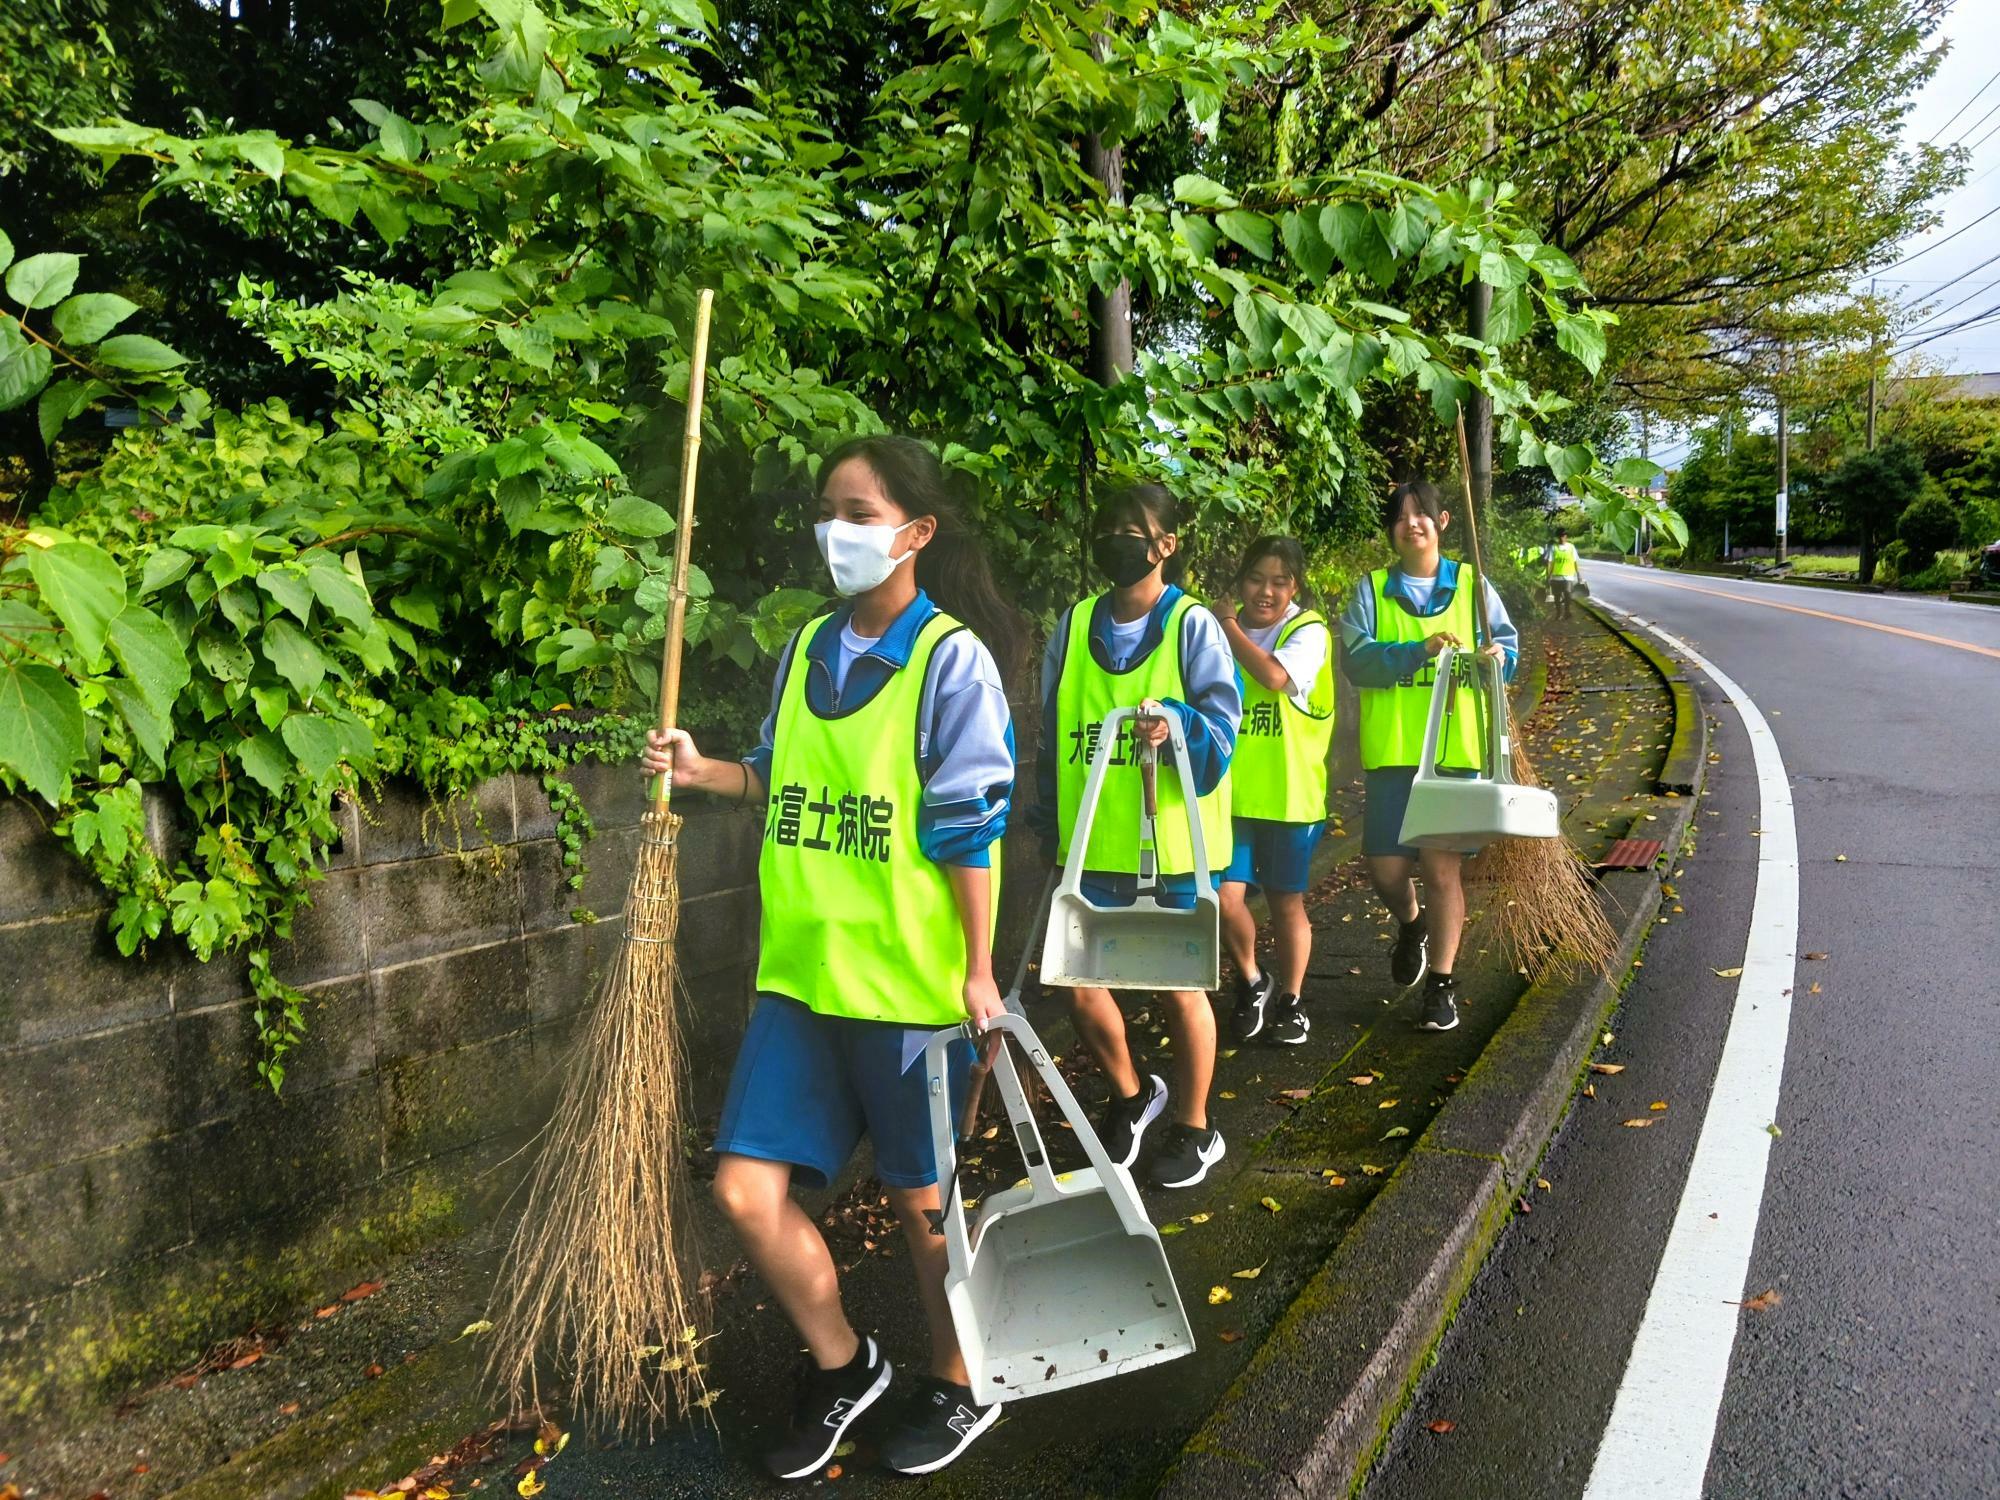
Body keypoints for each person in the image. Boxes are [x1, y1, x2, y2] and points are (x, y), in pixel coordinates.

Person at [639, 436, 1020, 1480]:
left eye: (857, 512)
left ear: (915, 532)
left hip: (909, 993)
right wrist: (700, 768)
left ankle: (960, 1380)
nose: (835, 532)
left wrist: (979, 972)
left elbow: (970, 830)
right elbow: (778, 776)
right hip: (800, 983)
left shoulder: (950, 662)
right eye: (828, 511)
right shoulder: (809, 647)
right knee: (743, 1193)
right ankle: (847, 1365)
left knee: (924, 1211)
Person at [1031, 483, 1240, 1190]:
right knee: (1076, 986)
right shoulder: (1075, 622)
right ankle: (1132, 1095)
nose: (1118, 541)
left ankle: (1194, 1125)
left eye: (1135, 531)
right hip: (1090, 846)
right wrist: (1041, 812)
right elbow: (1050, 722)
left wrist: (1174, 720)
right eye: (1108, 528)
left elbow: (1222, 732)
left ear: (1167, 546)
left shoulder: (1192, 626)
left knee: (1179, 992)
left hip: (1176, 850)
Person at [1339, 480, 1517, 1034]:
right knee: (1387, 870)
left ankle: (1440, 985)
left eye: (1422, 514)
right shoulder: (1370, 590)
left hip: (1455, 753)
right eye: (1400, 516)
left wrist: (1496, 658)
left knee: (1442, 871)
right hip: (1393, 754)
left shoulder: (1472, 585)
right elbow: (1357, 661)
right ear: (1391, 530)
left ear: (1442, 521)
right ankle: (1410, 923)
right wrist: (1418, 651)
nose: (1411, 523)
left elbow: (1508, 652)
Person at [1214, 536, 1335, 1047]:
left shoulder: (1307, 631)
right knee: (1222, 898)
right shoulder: (1220, 630)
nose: (1266, 591)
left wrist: (1226, 626)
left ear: (1296, 587)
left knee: (1287, 904)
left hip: (1291, 797)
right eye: (1256, 579)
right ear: (1242, 579)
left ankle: (1291, 999)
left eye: (1279, 582)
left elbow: (1275, 675)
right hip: (1231, 796)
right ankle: (1251, 980)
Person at [1545, 528, 1582, 619]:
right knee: (1557, 596)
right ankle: (1558, 613)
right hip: (1556, 576)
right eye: (1561, 536)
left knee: (1567, 593)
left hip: (1568, 576)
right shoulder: (1553, 547)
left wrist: (1578, 574)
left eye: (1564, 536)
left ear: (1566, 536)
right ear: (1558, 537)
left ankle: (1567, 611)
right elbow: (1550, 563)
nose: (1562, 538)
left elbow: (1575, 562)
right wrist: (1548, 576)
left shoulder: (1571, 547)